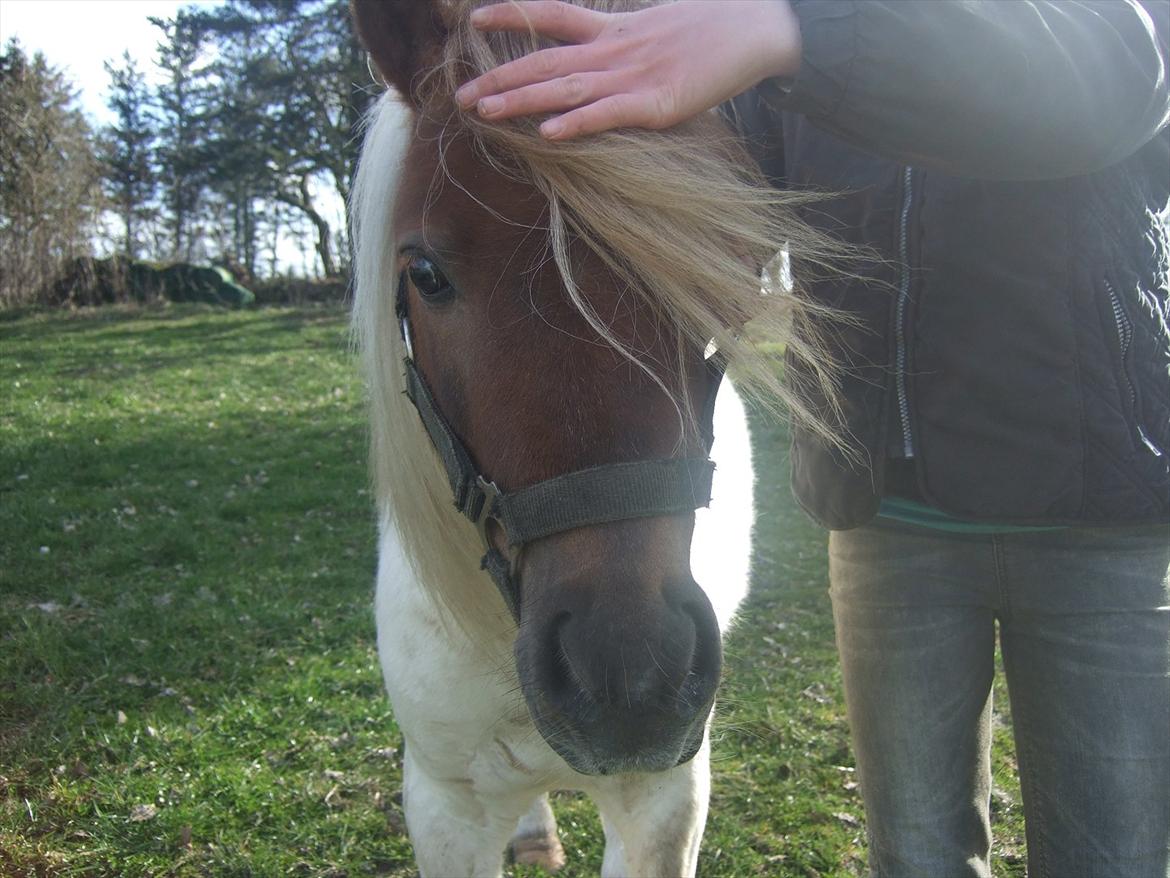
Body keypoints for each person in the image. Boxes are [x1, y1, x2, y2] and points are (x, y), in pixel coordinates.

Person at [454, 1, 1170, 876]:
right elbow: (700, 194)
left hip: (1096, 522)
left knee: (1116, 859)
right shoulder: (798, 50)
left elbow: (1118, 79)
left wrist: (789, 31)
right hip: (888, 526)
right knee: (913, 857)